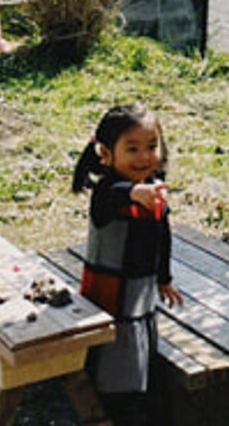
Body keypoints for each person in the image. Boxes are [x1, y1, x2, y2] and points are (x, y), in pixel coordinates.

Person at [72, 103, 183, 426]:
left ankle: (140, 403)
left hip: (140, 296)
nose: (144, 157)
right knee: (112, 364)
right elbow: (116, 194)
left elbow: (163, 236)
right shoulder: (107, 193)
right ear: (106, 154)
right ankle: (112, 407)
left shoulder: (154, 193)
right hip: (108, 300)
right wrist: (136, 191)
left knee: (140, 357)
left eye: (151, 147)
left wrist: (164, 278)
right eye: (131, 149)